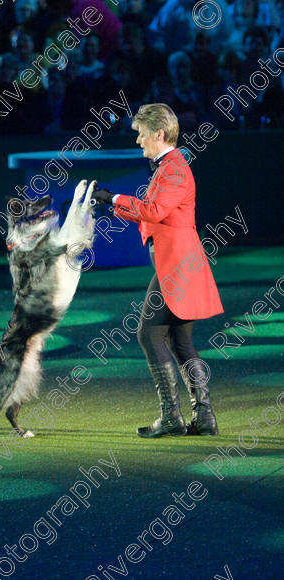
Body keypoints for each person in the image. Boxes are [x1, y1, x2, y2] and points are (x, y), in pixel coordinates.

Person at [91, 103, 223, 438]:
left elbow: (153, 209)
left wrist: (113, 199)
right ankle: (203, 417)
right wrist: (116, 208)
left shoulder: (174, 168)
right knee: (179, 339)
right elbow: (156, 213)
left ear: (158, 134)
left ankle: (172, 418)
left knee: (149, 334)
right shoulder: (169, 166)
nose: (138, 141)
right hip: (181, 263)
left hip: (178, 266)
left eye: (141, 134)